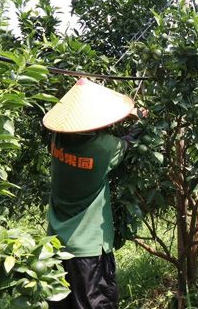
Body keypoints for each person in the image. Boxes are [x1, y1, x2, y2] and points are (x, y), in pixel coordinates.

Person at [43, 78, 144, 309]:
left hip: (56, 246)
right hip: (89, 250)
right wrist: (141, 120)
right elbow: (128, 142)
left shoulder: (57, 139)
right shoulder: (104, 147)